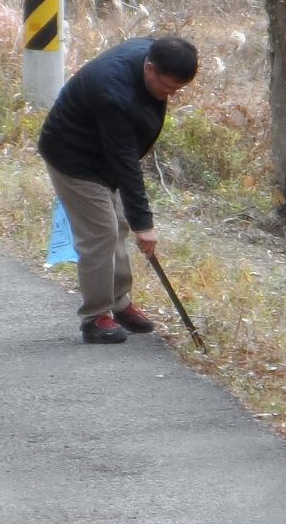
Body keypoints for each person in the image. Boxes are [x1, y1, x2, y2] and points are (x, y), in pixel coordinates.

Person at [35, 34, 197, 344]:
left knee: (119, 224)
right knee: (101, 233)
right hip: (73, 156)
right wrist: (145, 225)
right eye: (168, 87)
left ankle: (119, 303)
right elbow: (127, 165)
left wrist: (136, 222)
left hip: (103, 151)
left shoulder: (152, 52)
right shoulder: (114, 93)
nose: (171, 95)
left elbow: (123, 156)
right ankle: (96, 317)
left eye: (177, 89)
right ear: (149, 68)